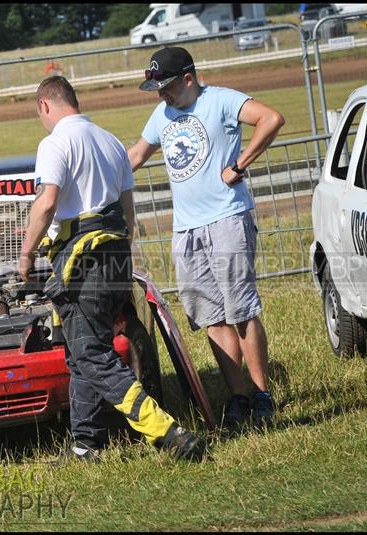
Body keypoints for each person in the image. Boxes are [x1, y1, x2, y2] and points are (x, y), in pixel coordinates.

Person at [18, 76, 206, 462]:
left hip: (83, 262)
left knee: (92, 353)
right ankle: (86, 445)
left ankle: (167, 432)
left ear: (45, 106)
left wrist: (25, 253)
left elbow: (46, 202)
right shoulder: (110, 142)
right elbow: (128, 210)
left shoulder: (55, 143)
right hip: (117, 255)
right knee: (82, 353)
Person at [127, 47, 285, 433]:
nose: (161, 94)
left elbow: (271, 118)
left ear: (187, 78)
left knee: (241, 311)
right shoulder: (161, 114)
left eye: (165, 86)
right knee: (211, 317)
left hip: (227, 219)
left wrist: (239, 164)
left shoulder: (221, 100)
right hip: (186, 229)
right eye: (155, 87)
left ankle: (262, 395)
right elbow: (134, 156)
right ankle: (238, 397)